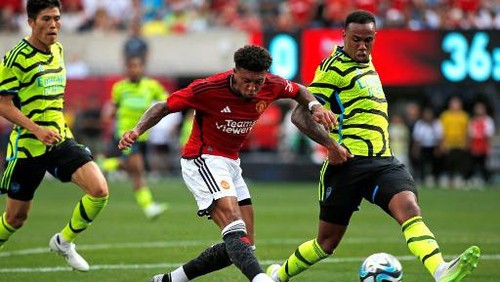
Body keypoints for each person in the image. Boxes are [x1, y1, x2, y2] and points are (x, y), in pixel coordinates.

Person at [266, 10, 480, 282]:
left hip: (383, 161)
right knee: (326, 243)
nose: (362, 46)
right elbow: (299, 115)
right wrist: (331, 145)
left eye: (368, 40)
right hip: (347, 164)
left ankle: (440, 270)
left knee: (410, 210)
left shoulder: (368, 61)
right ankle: (277, 276)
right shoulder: (333, 67)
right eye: (356, 39)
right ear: (343, 36)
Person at [118, 45, 336, 282]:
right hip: (202, 159)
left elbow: (299, 90)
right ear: (234, 72)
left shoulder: (273, 84)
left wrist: (315, 106)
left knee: (243, 246)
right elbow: (162, 107)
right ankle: (260, 279)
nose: (253, 87)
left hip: (231, 163)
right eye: (247, 81)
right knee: (234, 224)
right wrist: (136, 130)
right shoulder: (208, 88)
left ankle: (169, 280)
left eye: (258, 81)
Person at [0, 0, 108, 272]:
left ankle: (64, 241)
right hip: (28, 146)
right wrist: (36, 129)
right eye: (46, 19)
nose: (53, 25)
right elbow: (3, 104)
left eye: (57, 18)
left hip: (60, 140)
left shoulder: (58, 50)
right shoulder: (16, 58)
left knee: (99, 190)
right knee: (16, 218)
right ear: (31, 22)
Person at [101, 55, 167, 219]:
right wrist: (109, 116)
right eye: (131, 66)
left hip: (144, 135)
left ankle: (106, 164)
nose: (134, 69)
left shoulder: (151, 86)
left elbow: (166, 101)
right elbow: (114, 108)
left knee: (133, 169)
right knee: (138, 170)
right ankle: (149, 207)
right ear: (127, 69)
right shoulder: (120, 87)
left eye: (137, 66)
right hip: (126, 134)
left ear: (142, 68)